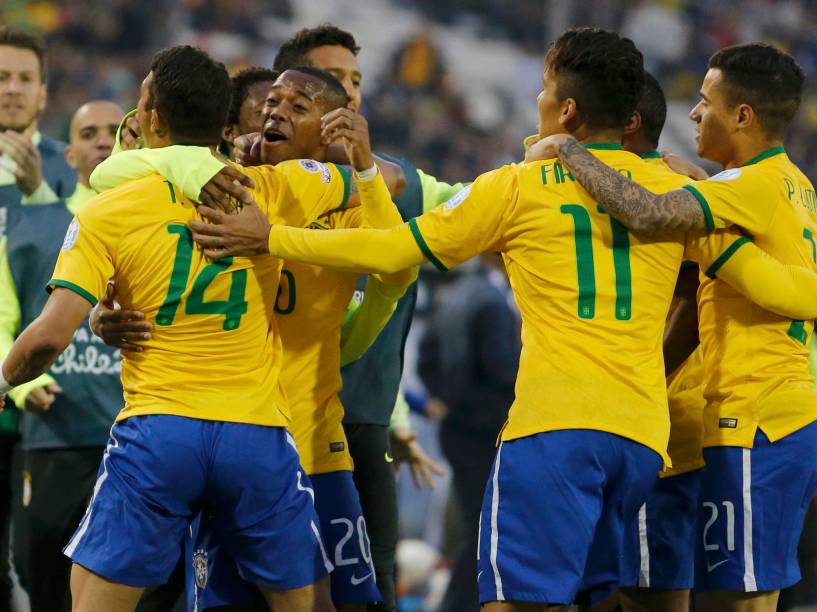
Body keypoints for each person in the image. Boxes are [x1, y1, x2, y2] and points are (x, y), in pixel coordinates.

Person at [173, 28, 817, 610]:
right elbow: (740, 286)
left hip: (555, 428)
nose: (536, 103)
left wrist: (273, 240)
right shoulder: (673, 193)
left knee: (513, 601)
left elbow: (396, 249)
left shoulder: (517, 186)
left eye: (544, 92)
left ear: (566, 111)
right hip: (643, 439)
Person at [0, 44, 386, 612]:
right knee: (309, 602)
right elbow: (379, 182)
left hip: (161, 431)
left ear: (152, 119)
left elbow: (49, 338)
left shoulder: (109, 211)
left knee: (89, 600)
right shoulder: (271, 189)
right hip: (257, 433)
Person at [89, 66, 413, 611]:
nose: (275, 114)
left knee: (340, 602)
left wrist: (276, 237)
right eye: (270, 105)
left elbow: (397, 263)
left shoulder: (341, 202)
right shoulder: (213, 192)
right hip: (235, 441)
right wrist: (105, 312)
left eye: (296, 106)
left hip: (312, 444)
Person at [538, 42, 817, 612]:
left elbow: (643, 212)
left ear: (743, 116)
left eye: (705, 100)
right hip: (781, 414)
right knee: (749, 595)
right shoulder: (796, 186)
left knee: (737, 601)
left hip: (755, 417)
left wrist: (570, 150)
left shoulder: (746, 188)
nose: (693, 113)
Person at [274, 27, 455, 609]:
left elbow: (469, 204)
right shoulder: (252, 183)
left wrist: (400, 415)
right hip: (272, 419)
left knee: (367, 582)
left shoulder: (395, 181)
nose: (349, 95)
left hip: (363, 416)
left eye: (355, 82)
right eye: (333, 81)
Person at [0, 100, 124, 612]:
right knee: (38, 569)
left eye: (114, 131)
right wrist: (24, 384)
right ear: (68, 153)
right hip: (53, 435)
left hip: (129, 437)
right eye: (89, 132)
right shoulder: (32, 226)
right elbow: (5, 318)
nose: (102, 140)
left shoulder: (157, 217)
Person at [614, 73, 706, 612]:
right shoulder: (685, 184)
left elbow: (692, 299)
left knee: (650, 592)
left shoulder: (664, 190)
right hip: (637, 427)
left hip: (664, 429)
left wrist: (643, 375)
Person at [0, 26, 76, 610]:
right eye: (2, 77)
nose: (13, 89)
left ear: (45, 94)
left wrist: (39, 198)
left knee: (38, 562)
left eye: (26, 78)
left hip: (43, 402)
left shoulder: (73, 171)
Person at [418, 252, 520, 612]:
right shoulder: (493, 303)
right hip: (484, 430)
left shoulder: (457, 294)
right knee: (485, 530)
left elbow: (425, 358)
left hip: (458, 428)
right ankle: (459, 604)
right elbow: (503, 368)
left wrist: (445, 398)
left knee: (476, 524)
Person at [221, 66, 278, 157]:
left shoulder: (303, 167)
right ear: (229, 132)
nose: (280, 115)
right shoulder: (205, 169)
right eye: (264, 110)